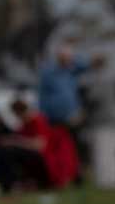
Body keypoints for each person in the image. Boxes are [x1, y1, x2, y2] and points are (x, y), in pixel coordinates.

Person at [37, 40, 99, 179]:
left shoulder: (71, 70)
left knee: (76, 146)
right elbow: (41, 95)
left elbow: (86, 65)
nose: (68, 60)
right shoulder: (48, 72)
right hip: (54, 118)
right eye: (65, 57)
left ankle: (77, 174)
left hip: (72, 117)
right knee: (59, 148)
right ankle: (61, 175)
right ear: (58, 57)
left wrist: (74, 57)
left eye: (69, 58)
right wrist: (43, 116)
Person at [0, 99, 79, 193]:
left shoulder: (37, 121)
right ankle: (9, 184)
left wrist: (15, 142)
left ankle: (11, 184)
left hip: (45, 159)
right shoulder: (26, 124)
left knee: (9, 152)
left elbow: (39, 145)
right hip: (39, 157)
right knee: (4, 151)